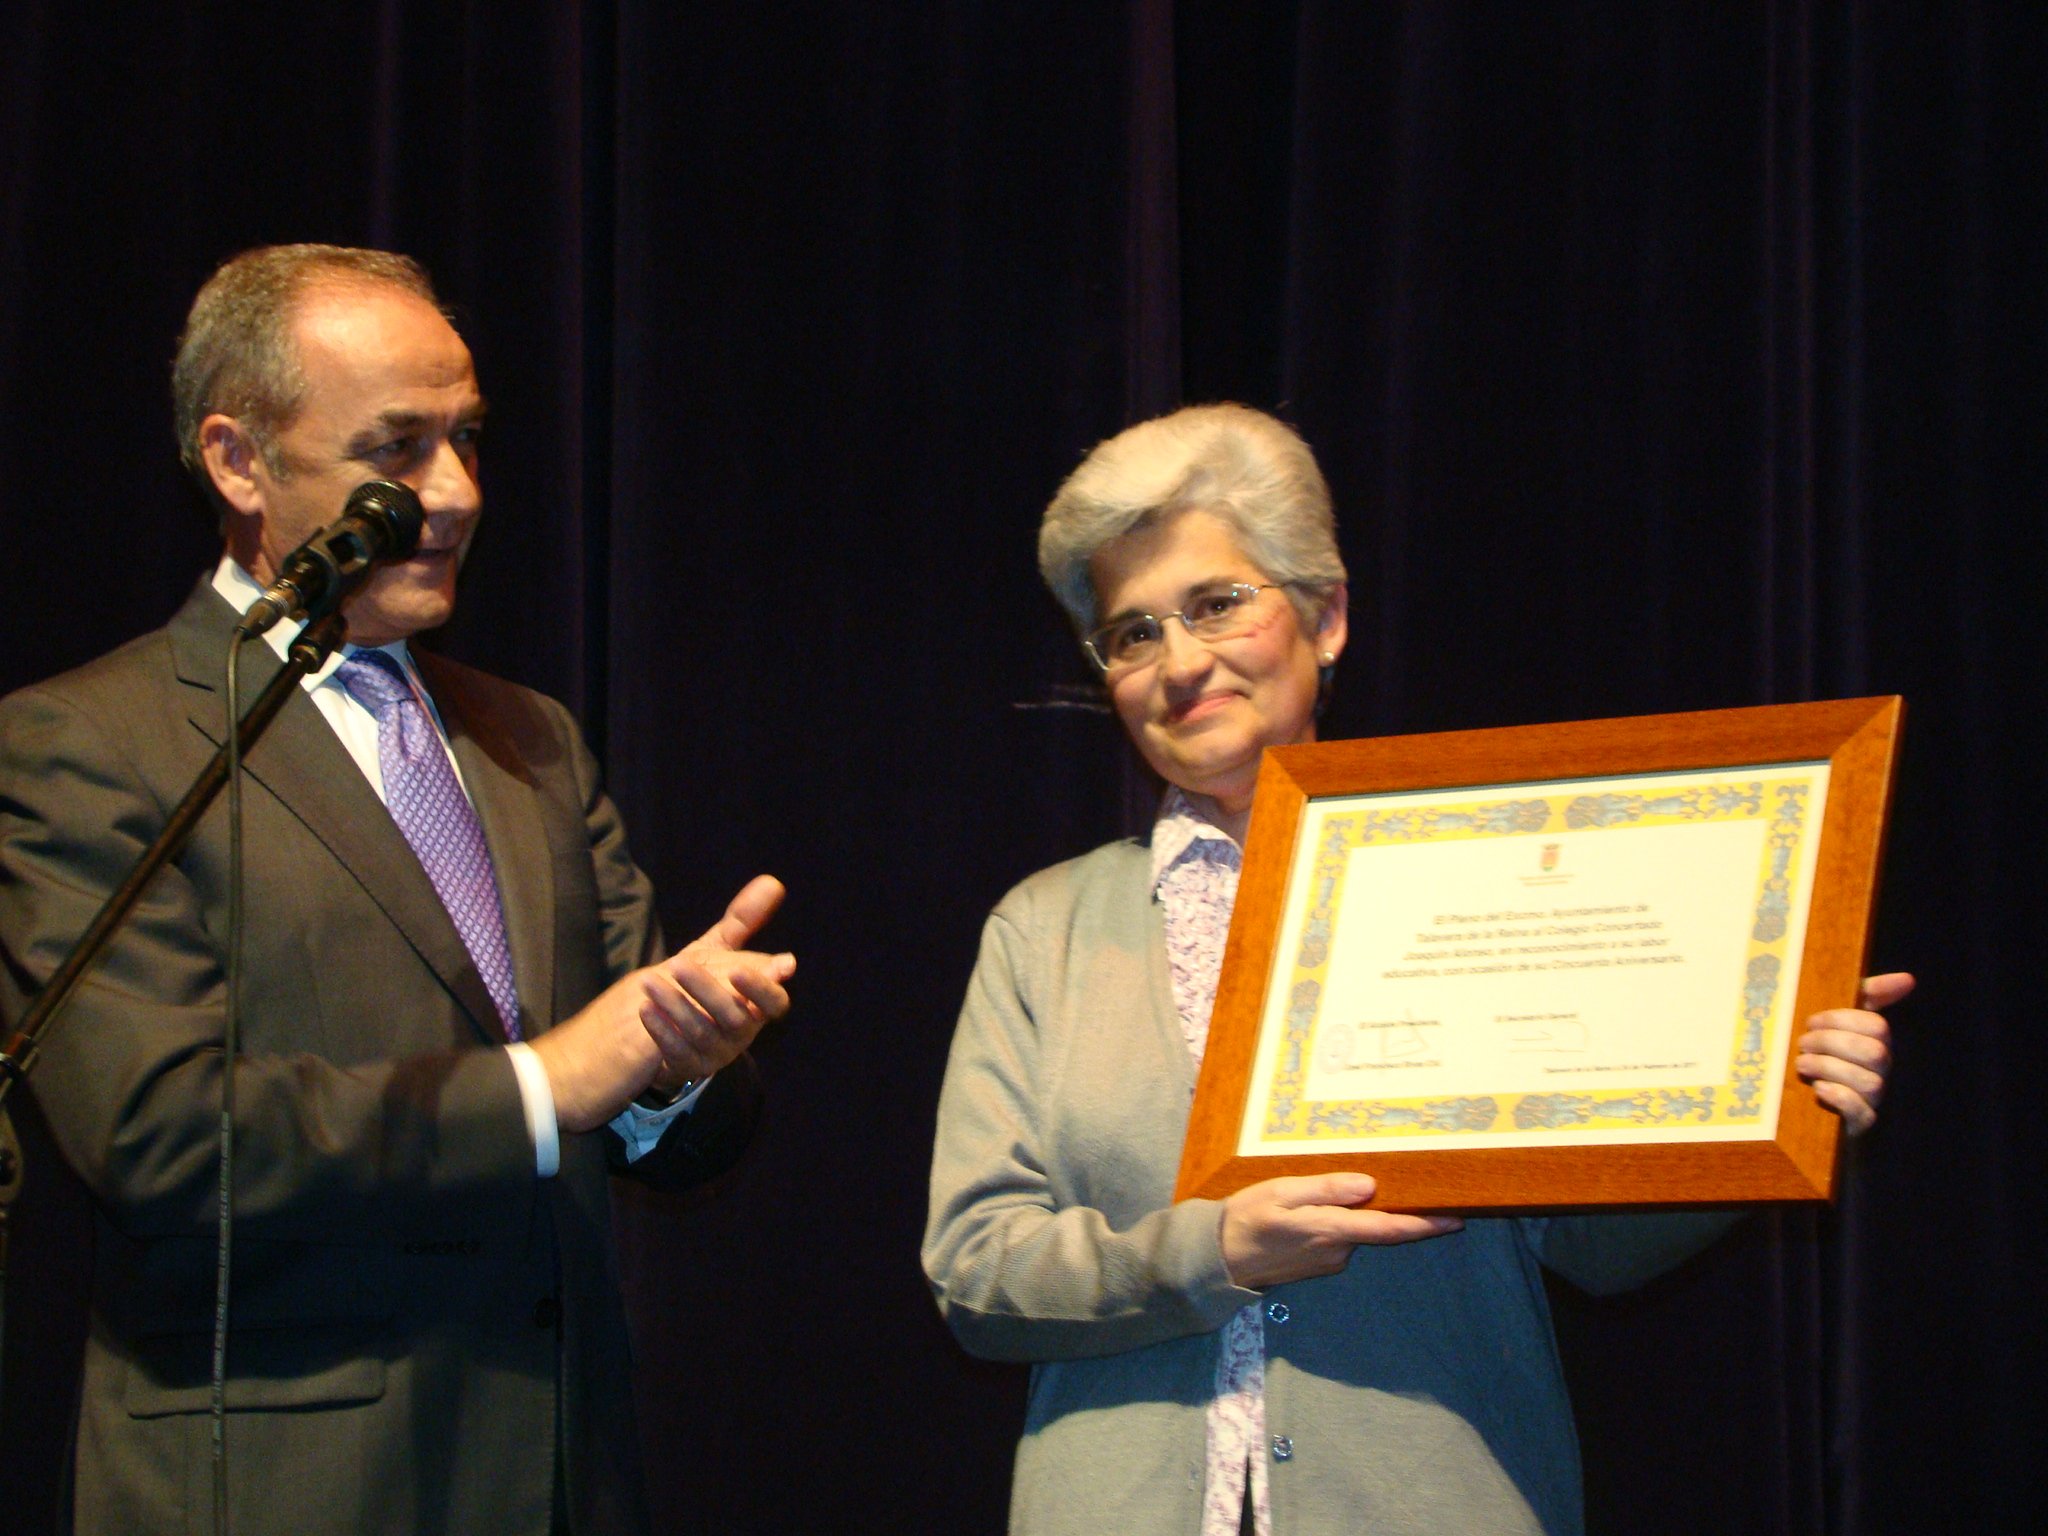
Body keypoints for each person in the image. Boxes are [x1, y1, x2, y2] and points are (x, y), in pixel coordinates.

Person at [921, 403, 1904, 1536]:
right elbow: (976, 1273)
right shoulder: (1043, 926)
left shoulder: (1481, 869)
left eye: (1215, 603)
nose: (1177, 661)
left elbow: (1589, 1244)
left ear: (1324, 616)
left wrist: (1766, 1098)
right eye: (1131, 631)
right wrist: (1215, 1249)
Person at [0, 245, 796, 1535]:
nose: (458, 491)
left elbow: (661, 1107)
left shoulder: (528, 736)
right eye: (399, 447)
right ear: (238, 460)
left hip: (554, 1467)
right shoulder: (91, 743)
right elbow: (154, 1137)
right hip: (279, 1487)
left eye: (469, 438)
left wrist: (679, 1061)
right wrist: (547, 1085)